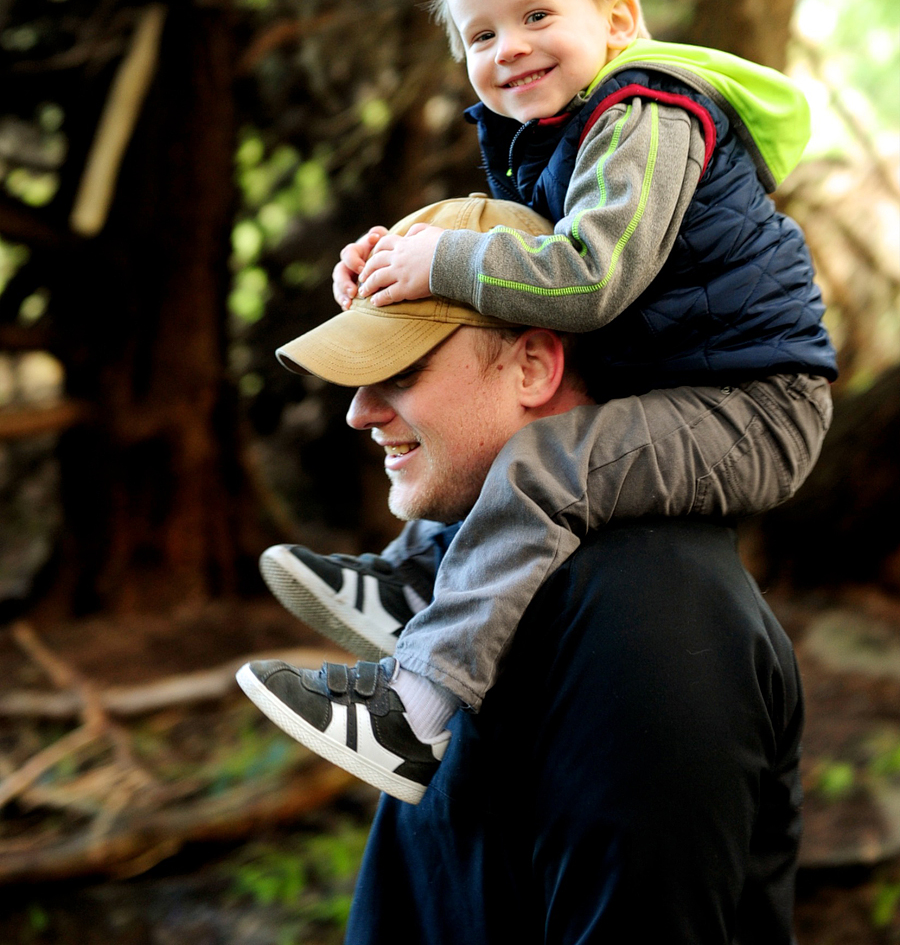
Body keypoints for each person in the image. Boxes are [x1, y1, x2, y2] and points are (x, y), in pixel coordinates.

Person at [243, 0, 835, 793]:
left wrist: (443, 258)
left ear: (619, 20)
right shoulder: (551, 135)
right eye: (480, 36)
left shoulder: (646, 116)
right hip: (676, 381)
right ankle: (414, 586)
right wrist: (393, 256)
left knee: (546, 462)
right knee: (511, 428)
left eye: (535, 14)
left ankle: (412, 714)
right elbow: (510, 260)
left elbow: (589, 277)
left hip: (754, 404)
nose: (507, 46)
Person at [237, 196, 806, 943]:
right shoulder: (490, 591)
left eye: (401, 369)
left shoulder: (651, 610)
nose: (360, 411)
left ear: (533, 364)